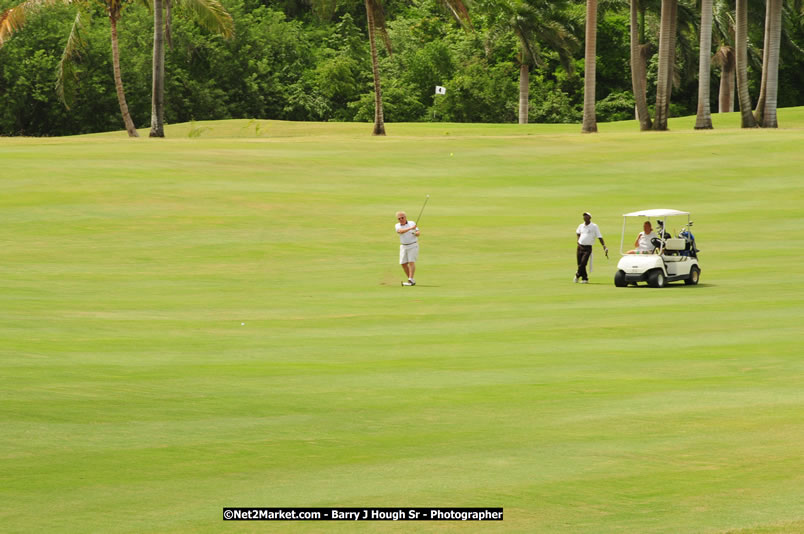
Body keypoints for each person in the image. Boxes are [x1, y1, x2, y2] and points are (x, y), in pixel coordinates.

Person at [574, 212, 608, 284]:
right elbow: (578, 232)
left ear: (590, 217)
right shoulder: (581, 226)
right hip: (580, 246)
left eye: (586, 216)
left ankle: (577, 274)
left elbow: (599, 236)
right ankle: (585, 278)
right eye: (584, 216)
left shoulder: (594, 226)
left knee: (583, 263)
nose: (585, 217)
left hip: (587, 248)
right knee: (579, 263)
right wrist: (578, 240)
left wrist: (604, 246)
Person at [395, 211, 420, 286]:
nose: (401, 219)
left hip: (413, 245)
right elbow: (401, 231)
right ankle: (411, 280)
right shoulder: (397, 225)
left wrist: (416, 233)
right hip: (403, 246)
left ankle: (410, 279)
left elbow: (418, 232)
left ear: (405, 217)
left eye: (402, 217)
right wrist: (411, 229)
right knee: (403, 263)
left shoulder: (412, 223)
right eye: (399, 218)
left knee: (411, 261)